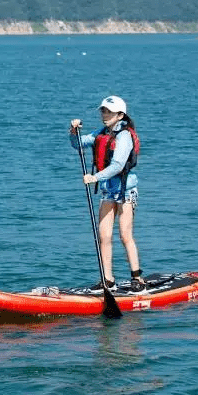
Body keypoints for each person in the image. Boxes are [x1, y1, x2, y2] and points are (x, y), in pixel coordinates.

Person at [70, 95, 145, 292]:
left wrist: (95, 177)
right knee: (104, 236)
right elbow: (78, 144)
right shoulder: (101, 133)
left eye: (109, 112)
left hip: (125, 190)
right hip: (107, 191)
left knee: (125, 235)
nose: (105, 115)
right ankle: (108, 280)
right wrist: (74, 131)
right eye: (103, 111)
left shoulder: (125, 136)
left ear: (120, 115)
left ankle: (138, 278)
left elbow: (118, 165)